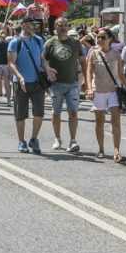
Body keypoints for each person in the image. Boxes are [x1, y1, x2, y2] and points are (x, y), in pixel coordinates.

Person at [88, 28, 126, 163]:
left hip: (113, 91)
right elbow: (89, 72)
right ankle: (101, 149)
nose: (99, 40)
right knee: (99, 121)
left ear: (110, 39)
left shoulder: (116, 54)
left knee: (115, 122)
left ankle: (117, 150)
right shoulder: (93, 53)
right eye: (98, 37)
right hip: (98, 90)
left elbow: (121, 74)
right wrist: (89, 88)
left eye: (103, 37)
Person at [44, 17, 84, 153]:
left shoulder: (76, 43)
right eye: (60, 25)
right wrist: (48, 69)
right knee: (56, 113)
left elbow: (83, 61)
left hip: (72, 84)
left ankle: (73, 141)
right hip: (56, 85)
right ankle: (57, 138)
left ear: (68, 27)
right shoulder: (50, 43)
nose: (62, 27)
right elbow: (43, 60)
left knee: (73, 113)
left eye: (65, 25)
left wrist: (85, 81)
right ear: (55, 27)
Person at [8, 17, 46, 154]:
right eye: (30, 24)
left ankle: (34, 139)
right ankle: (21, 141)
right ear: (23, 25)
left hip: (37, 83)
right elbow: (11, 63)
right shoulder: (15, 42)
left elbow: (42, 60)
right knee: (20, 114)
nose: (33, 27)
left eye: (34, 25)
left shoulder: (39, 40)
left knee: (39, 113)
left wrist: (48, 69)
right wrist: (19, 77)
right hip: (21, 84)